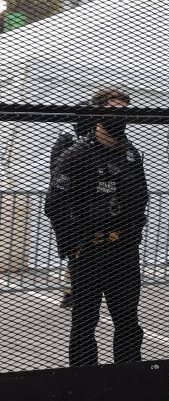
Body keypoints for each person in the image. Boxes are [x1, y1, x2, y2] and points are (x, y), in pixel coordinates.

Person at [45, 88, 148, 367]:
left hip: (123, 251)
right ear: (99, 113)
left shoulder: (130, 154)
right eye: (116, 110)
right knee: (85, 321)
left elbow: (141, 199)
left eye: (126, 111)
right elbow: (54, 204)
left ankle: (128, 381)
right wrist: (72, 248)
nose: (122, 117)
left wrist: (133, 238)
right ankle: (83, 384)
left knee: (127, 320)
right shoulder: (77, 154)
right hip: (87, 251)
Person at [49, 113, 96, 309]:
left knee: (81, 250)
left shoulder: (93, 144)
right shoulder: (69, 142)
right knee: (75, 250)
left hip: (84, 206)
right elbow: (57, 172)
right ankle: (72, 291)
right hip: (69, 207)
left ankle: (73, 291)